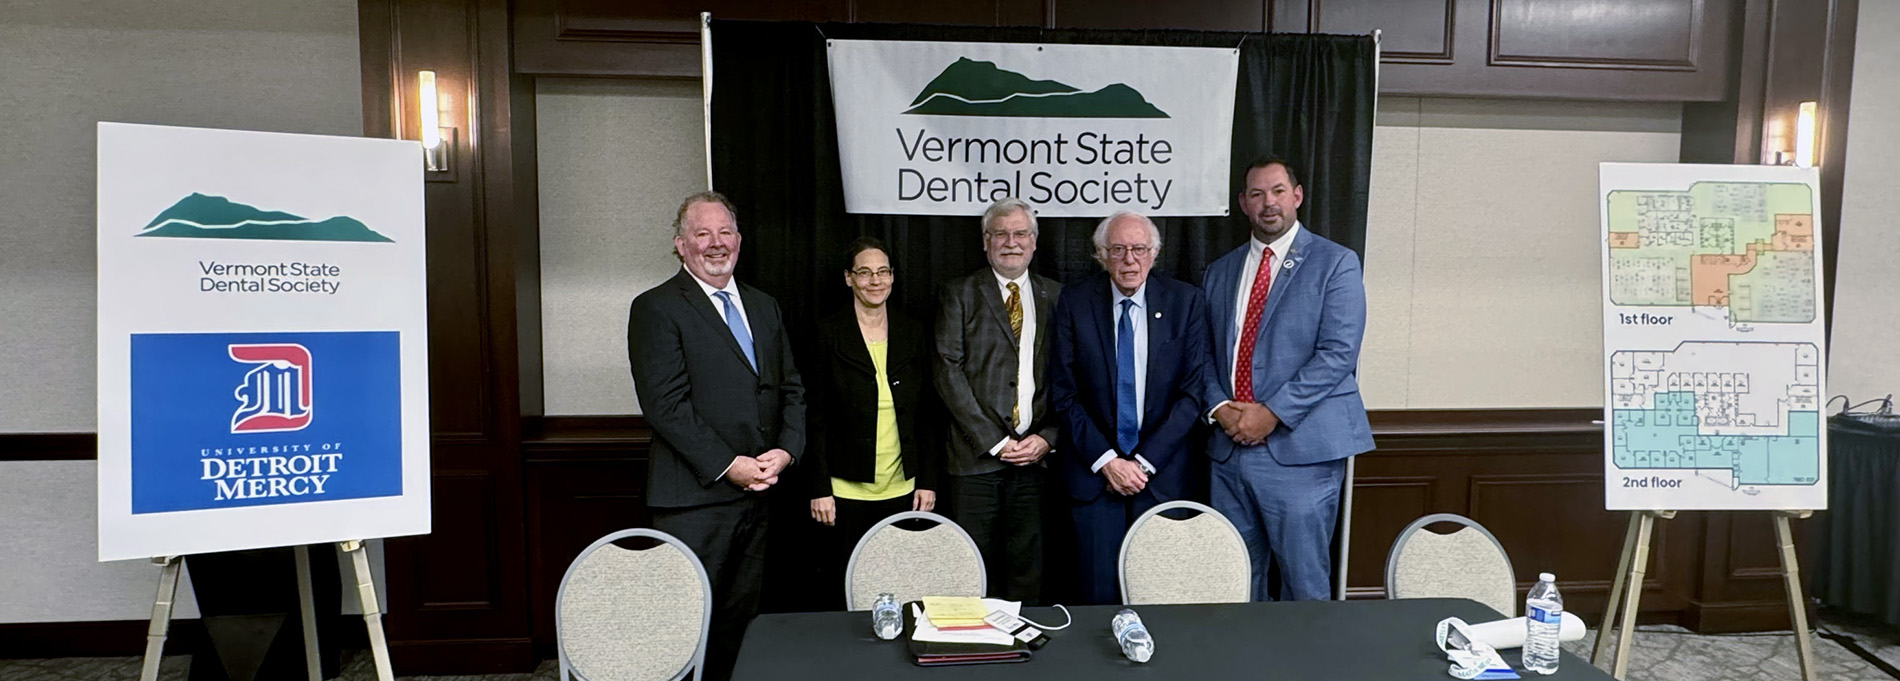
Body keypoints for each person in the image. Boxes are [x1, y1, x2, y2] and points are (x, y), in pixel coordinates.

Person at [626, 191, 804, 681]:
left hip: (761, 494)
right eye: (702, 234)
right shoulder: (656, 308)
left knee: (738, 624)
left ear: (740, 241)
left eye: (724, 232)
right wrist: (733, 467)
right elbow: (666, 407)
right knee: (684, 626)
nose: (715, 243)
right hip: (695, 500)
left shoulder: (764, 306)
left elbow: (790, 387)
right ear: (681, 245)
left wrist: (785, 452)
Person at [1200, 155, 1373, 602]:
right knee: (1232, 583)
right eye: (1257, 194)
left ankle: (1310, 670)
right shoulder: (1220, 271)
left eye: (1278, 191)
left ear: (1297, 196)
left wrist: (1272, 413)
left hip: (1300, 452)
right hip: (1228, 449)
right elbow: (1201, 354)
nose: (1268, 203)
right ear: (1243, 203)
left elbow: (1338, 354)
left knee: (1303, 586)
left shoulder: (1335, 263)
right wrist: (1222, 409)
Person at [1050, 211, 1212, 605]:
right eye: (1117, 250)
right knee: (1095, 600)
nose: (1129, 260)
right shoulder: (1074, 301)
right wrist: (1107, 461)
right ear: (1100, 256)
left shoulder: (1186, 302)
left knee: (1160, 596)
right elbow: (1064, 392)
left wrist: (1141, 464)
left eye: (1138, 249)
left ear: (1154, 254)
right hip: (1094, 479)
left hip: (1160, 478)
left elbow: (1192, 395)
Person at [934, 197, 1060, 603]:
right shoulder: (959, 294)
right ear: (986, 241)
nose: (1011, 242)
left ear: (1035, 242)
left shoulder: (1056, 296)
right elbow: (946, 370)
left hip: (1035, 459)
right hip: (975, 462)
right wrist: (995, 441)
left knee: (1028, 569)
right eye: (1001, 234)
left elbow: (1072, 378)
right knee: (971, 568)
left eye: (1020, 233)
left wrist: (1049, 437)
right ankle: (971, 655)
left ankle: (1024, 657)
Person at [804, 236, 941, 607]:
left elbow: (927, 413)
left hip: (902, 487)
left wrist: (927, 480)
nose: (875, 280)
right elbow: (813, 416)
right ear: (849, 278)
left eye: (882, 272)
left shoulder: (912, 331)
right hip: (844, 491)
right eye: (864, 272)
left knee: (900, 583)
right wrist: (820, 488)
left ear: (893, 278)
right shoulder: (826, 332)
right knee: (848, 587)